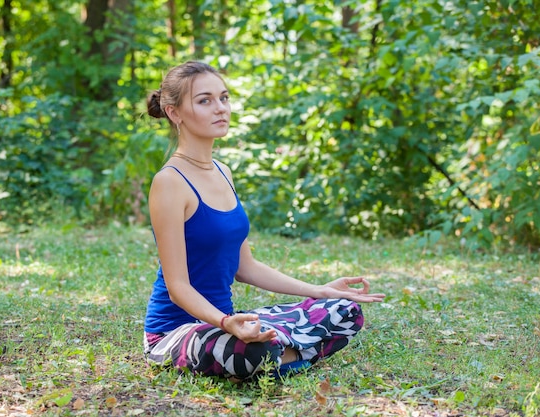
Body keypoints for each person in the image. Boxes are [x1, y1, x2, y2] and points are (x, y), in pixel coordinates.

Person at [143, 61, 385, 382]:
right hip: (178, 331)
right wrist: (225, 323)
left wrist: (320, 291)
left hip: (230, 323)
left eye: (224, 98)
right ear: (174, 113)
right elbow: (178, 288)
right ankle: (278, 356)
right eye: (205, 101)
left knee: (345, 311)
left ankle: (277, 355)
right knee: (254, 352)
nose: (220, 108)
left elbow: (247, 267)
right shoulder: (170, 182)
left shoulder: (223, 172)